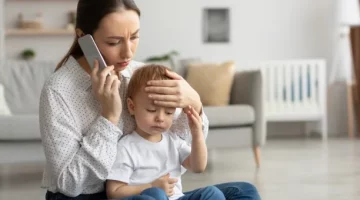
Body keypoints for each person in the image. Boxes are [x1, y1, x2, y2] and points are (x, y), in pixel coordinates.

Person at [39, 0, 261, 199]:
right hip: (89, 195)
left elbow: (178, 150)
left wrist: (195, 103)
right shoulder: (59, 90)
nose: (128, 53)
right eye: (114, 42)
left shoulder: (141, 75)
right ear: (83, 38)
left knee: (244, 192)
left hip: (154, 191)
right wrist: (109, 117)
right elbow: (69, 184)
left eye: (134, 37)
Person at [106, 65, 225, 200]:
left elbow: (198, 167)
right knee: (155, 195)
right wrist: (151, 186)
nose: (160, 118)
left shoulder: (174, 141)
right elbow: (114, 192)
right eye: (151, 110)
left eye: (169, 112)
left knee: (212, 193)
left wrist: (197, 133)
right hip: (149, 197)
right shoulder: (126, 147)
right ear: (132, 107)